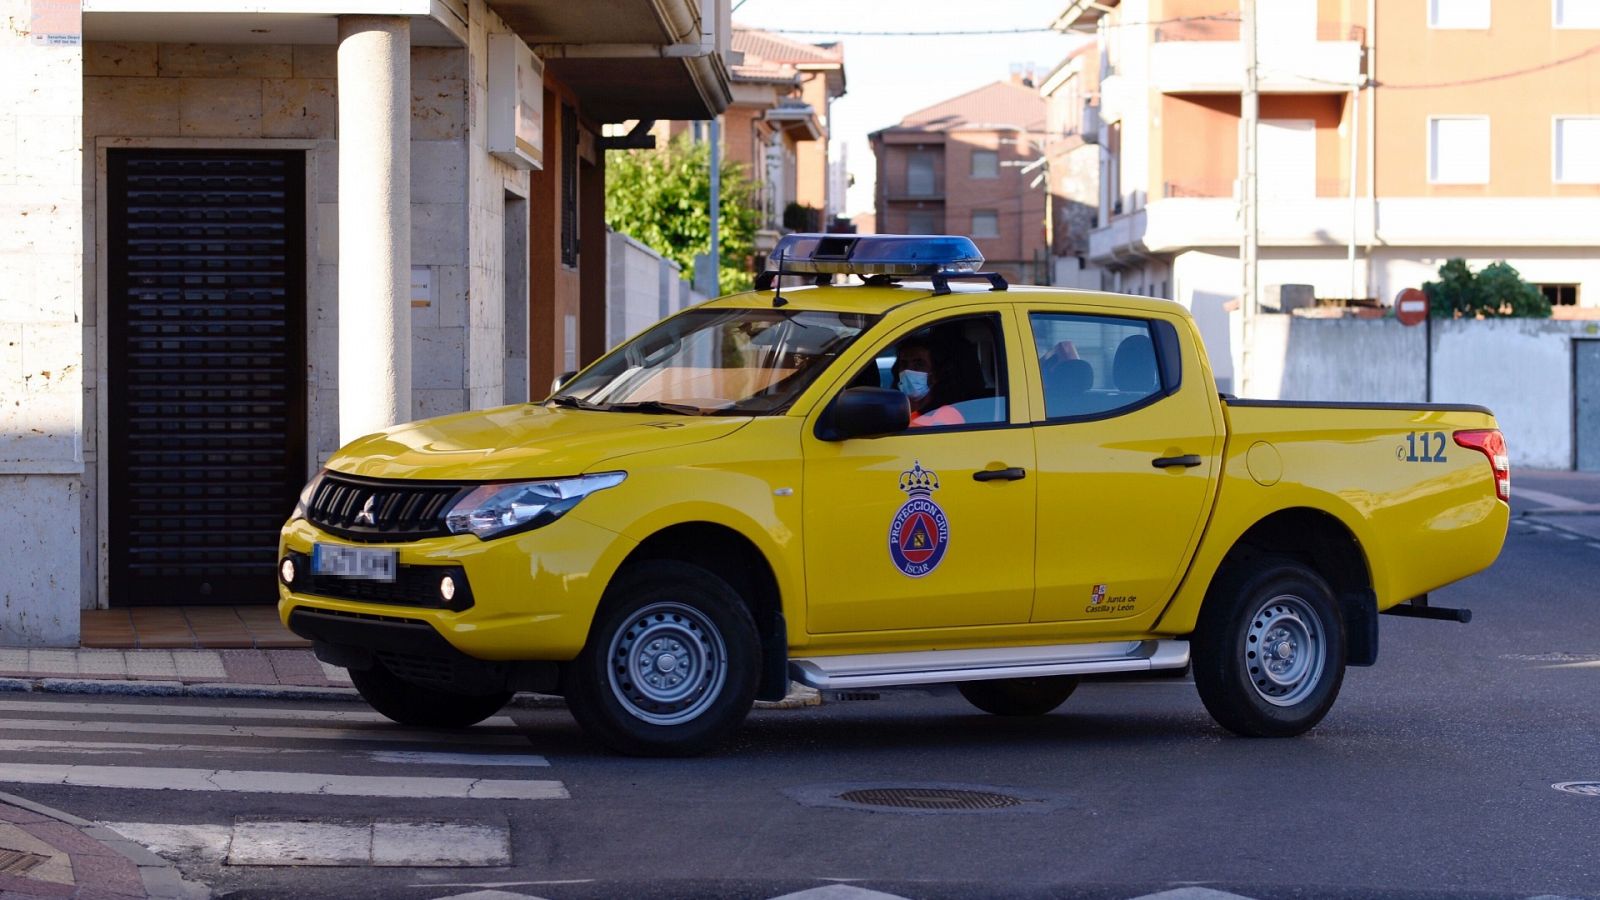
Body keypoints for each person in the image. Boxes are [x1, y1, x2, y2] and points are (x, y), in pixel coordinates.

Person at [891, 335, 966, 427]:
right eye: (904, 364)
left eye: (919, 364)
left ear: (935, 375)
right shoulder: (895, 413)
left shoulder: (946, 415)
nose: (908, 370)